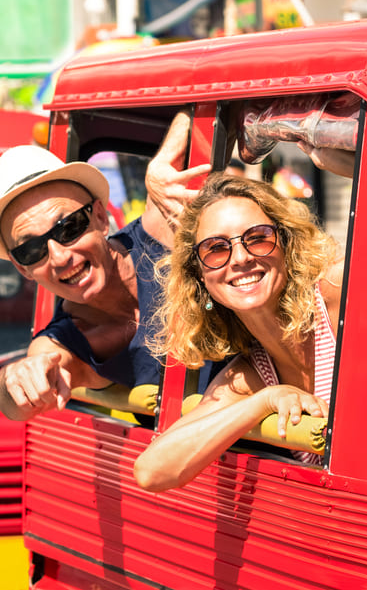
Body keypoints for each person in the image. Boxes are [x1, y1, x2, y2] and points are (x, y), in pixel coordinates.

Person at [0, 110, 210, 421]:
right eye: (32, 250)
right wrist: (12, 378)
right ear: (22, 269)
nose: (60, 257)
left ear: (101, 218)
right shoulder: (71, 341)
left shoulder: (159, 232)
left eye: (68, 227)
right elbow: (17, 398)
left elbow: (200, 111)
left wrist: (158, 167)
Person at [134, 173, 344, 492]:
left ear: (286, 243)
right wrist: (264, 401)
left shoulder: (338, 293)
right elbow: (152, 472)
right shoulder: (252, 376)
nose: (242, 258)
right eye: (216, 249)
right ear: (199, 275)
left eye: (258, 237)